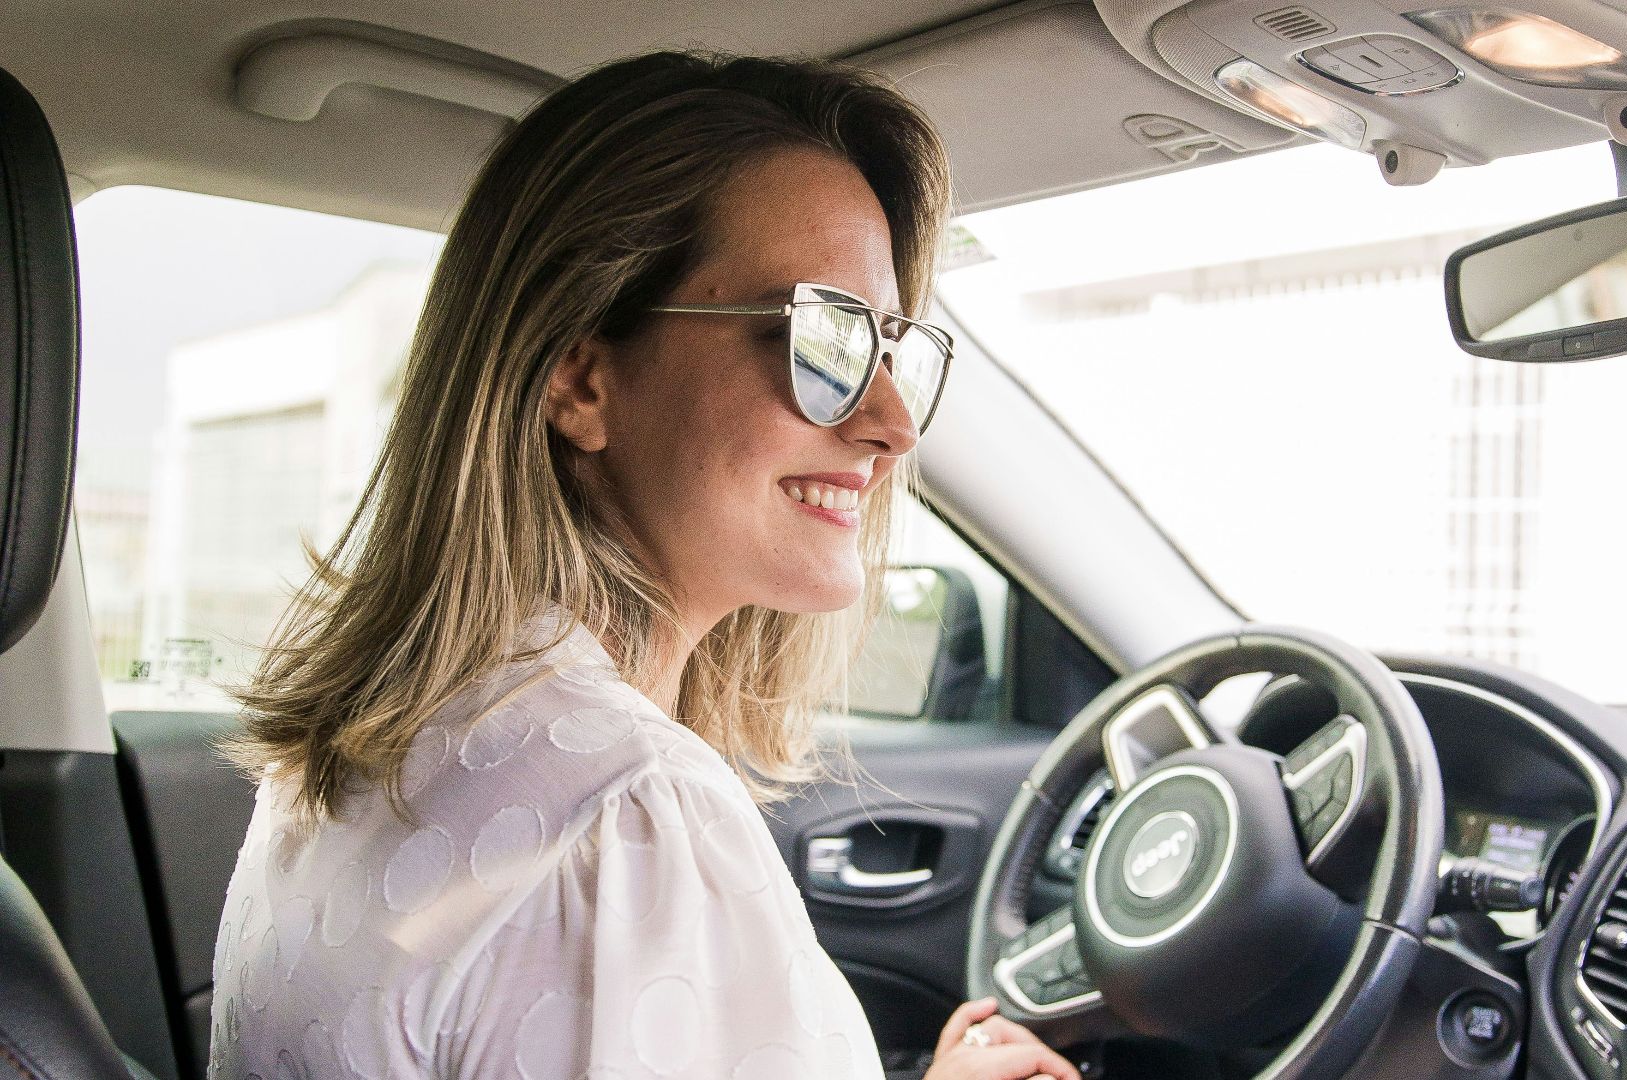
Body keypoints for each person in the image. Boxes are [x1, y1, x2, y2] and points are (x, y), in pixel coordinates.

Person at [208, 50, 1081, 1080]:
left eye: (889, 345)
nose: (891, 423)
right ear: (580, 376)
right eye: (825, 337)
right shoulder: (625, 822)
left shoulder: (366, 753)